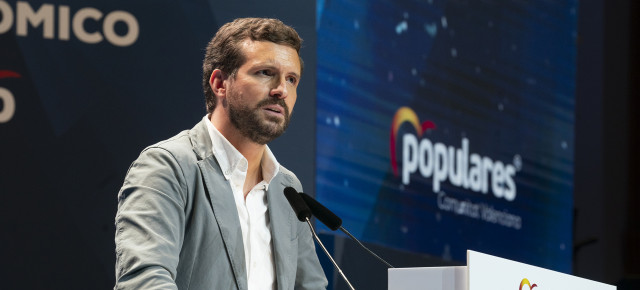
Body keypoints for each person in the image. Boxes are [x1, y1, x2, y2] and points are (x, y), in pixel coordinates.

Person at [114, 18, 327, 290]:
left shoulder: (288, 188)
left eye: (291, 79)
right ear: (219, 83)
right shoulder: (168, 167)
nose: (281, 90)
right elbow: (144, 281)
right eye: (264, 73)